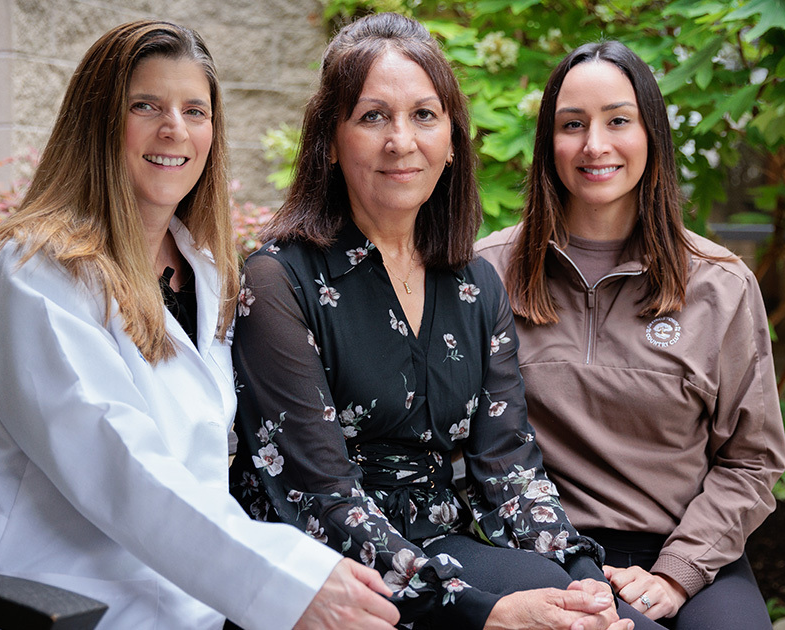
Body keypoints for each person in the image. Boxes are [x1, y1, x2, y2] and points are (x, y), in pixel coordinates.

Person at [0, 20, 400, 630]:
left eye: (195, 109)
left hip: (176, 597)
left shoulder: (206, 268)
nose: (175, 129)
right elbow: (118, 463)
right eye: (146, 105)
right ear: (98, 123)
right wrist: (289, 582)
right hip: (32, 598)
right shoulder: (34, 271)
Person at [228, 12, 634, 630]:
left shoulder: (475, 283)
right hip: (327, 575)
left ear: (451, 141)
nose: (401, 141)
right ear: (329, 143)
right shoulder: (278, 281)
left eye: (424, 115)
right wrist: (484, 611)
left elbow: (510, 466)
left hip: (445, 544)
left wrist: (584, 579)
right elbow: (319, 495)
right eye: (372, 116)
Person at [477, 40, 785, 630]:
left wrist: (677, 572)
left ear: (652, 136)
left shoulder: (720, 284)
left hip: (687, 547)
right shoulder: (488, 273)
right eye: (573, 125)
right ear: (548, 142)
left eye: (618, 120)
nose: (595, 145)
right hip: (539, 547)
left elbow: (752, 458)